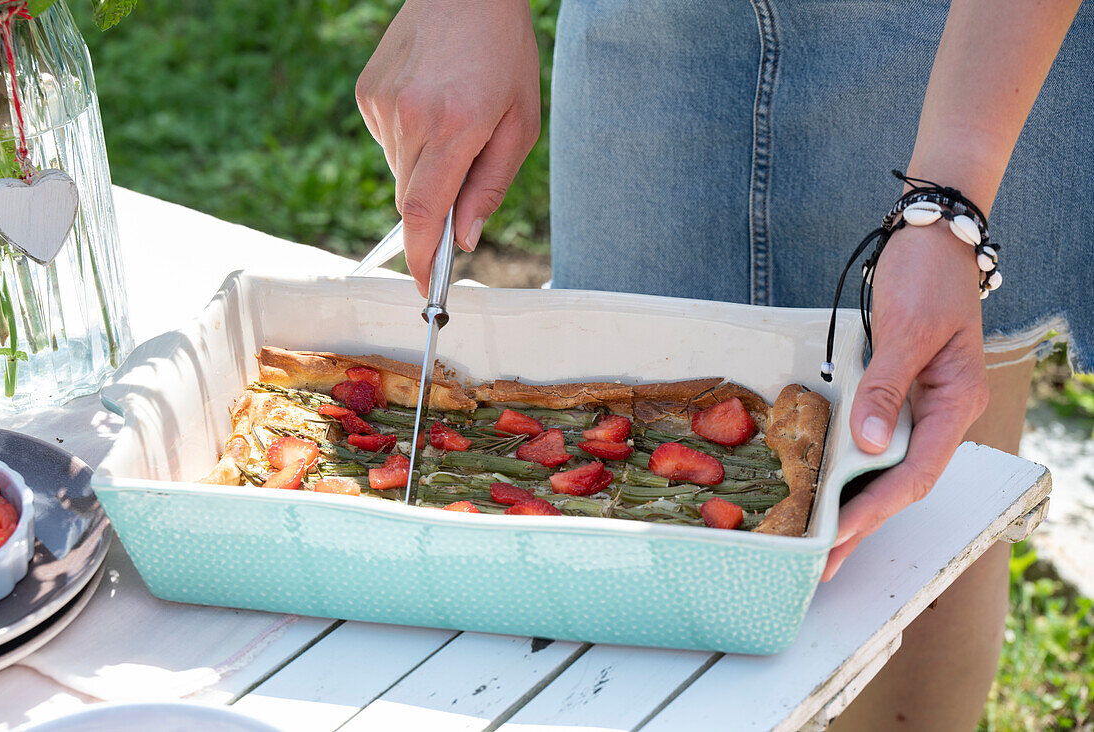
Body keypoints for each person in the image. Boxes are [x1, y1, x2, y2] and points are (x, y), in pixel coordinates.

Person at [354, 1, 1091, 728]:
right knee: (618, 605)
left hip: (962, 48)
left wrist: (948, 205)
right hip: (652, 34)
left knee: (906, 539)